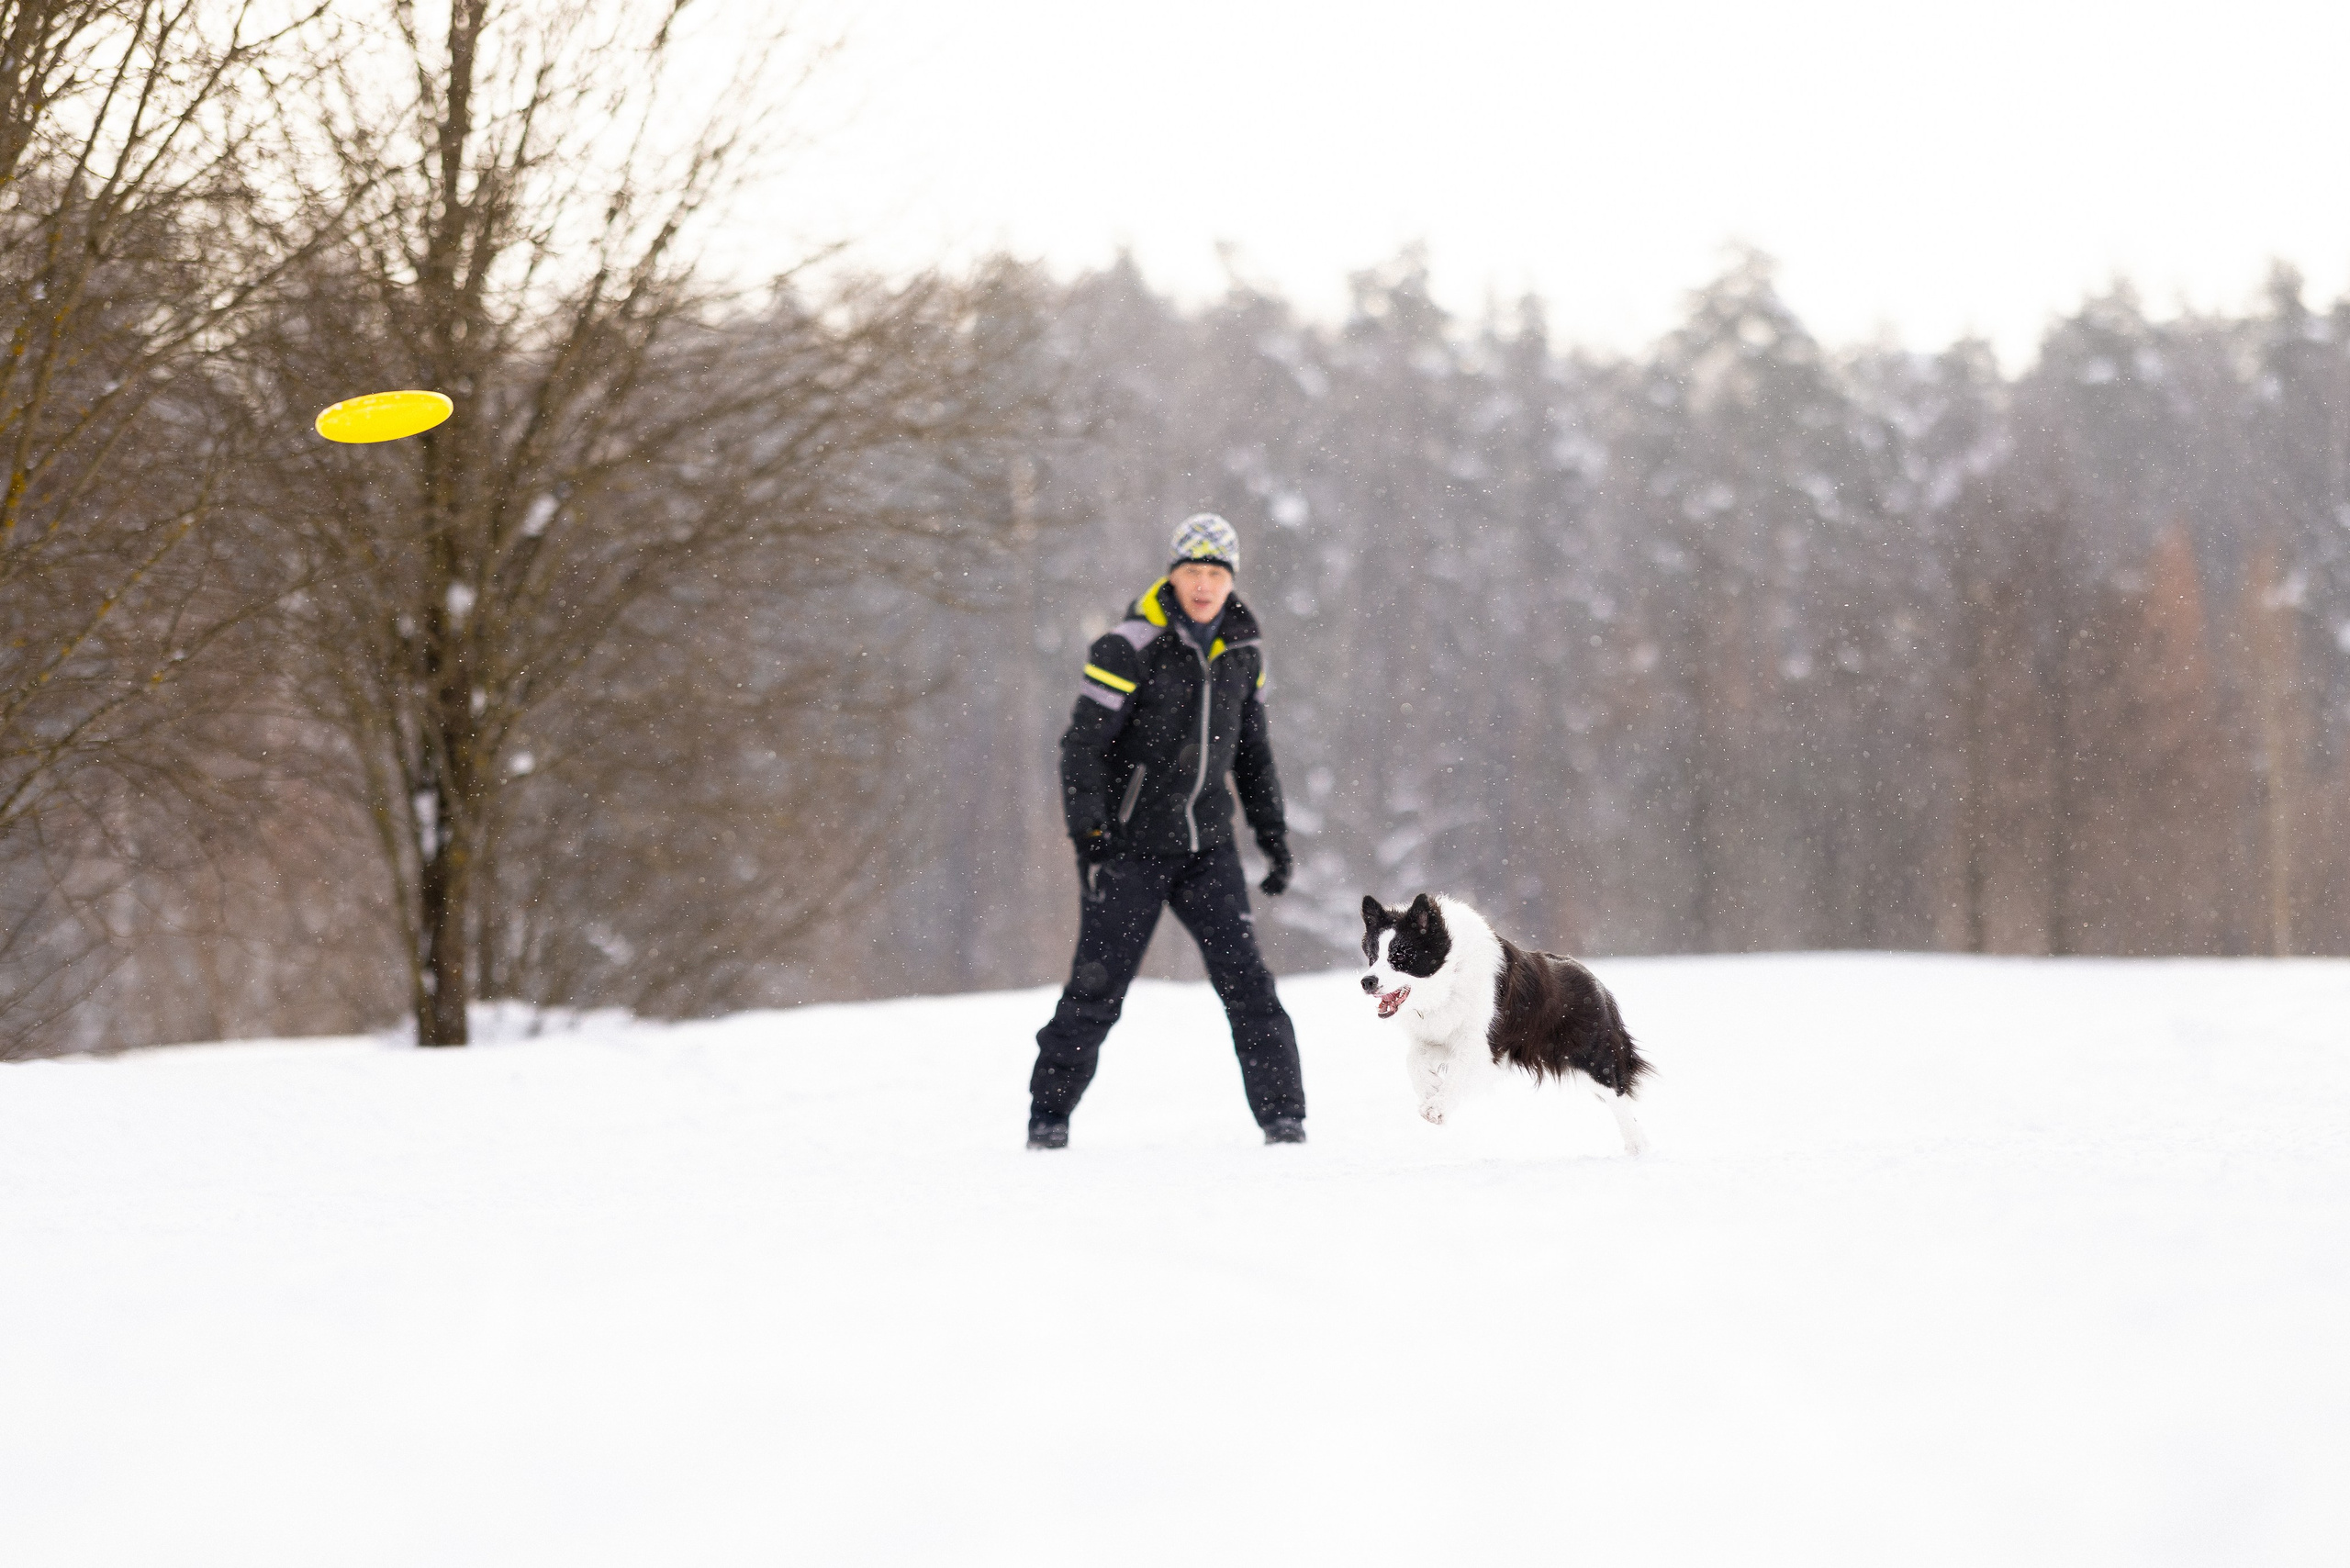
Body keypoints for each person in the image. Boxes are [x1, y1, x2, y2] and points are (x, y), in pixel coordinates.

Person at [1027, 513, 1306, 1148]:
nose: (1204, 585)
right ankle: (1048, 1120)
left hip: (1208, 850)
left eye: (1215, 573)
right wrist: (1090, 833)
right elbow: (1080, 748)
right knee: (1096, 991)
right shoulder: (1128, 647)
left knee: (1251, 989)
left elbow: (1253, 755)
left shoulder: (1243, 653)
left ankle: (1285, 1122)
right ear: (1172, 574)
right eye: (1192, 572)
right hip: (1130, 850)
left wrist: (1273, 837)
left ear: (1230, 579)